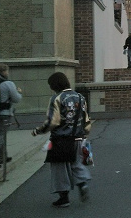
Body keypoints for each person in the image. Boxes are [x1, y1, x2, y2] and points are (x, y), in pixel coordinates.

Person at [31, 72, 91, 208]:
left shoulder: (57, 98)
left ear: (54, 85)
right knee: (77, 163)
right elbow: (86, 118)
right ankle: (83, 184)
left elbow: (53, 121)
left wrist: (38, 131)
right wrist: (85, 133)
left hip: (61, 140)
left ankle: (64, 198)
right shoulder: (80, 97)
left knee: (60, 168)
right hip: (79, 137)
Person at [0, 63, 22, 170]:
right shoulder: (8, 84)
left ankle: (2, 156)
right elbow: (16, 99)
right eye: (6, 71)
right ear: (2, 72)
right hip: (4, 114)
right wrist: (19, 92)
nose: (8, 73)